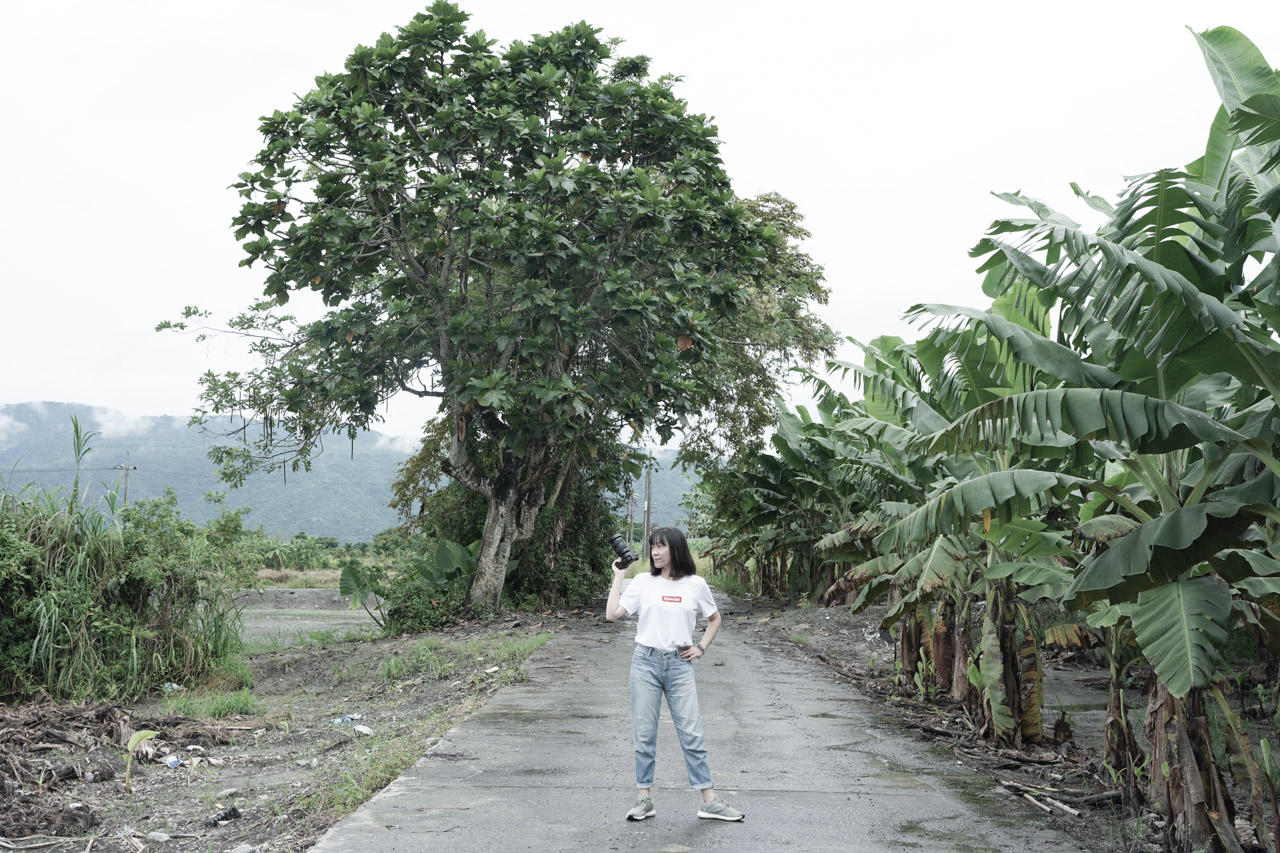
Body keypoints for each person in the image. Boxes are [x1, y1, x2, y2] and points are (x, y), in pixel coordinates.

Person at [604, 526, 744, 822]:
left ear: (676, 549)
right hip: (645, 662)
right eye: (652, 546)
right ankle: (644, 800)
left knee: (692, 733)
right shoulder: (642, 581)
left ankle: (710, 801)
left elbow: (715, 618)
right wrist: (619, 575)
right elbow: (612, 614)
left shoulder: (696, 584)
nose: (654, 552)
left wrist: (701, 647)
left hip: (680, 664)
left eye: (660, 547)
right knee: (644, 734)